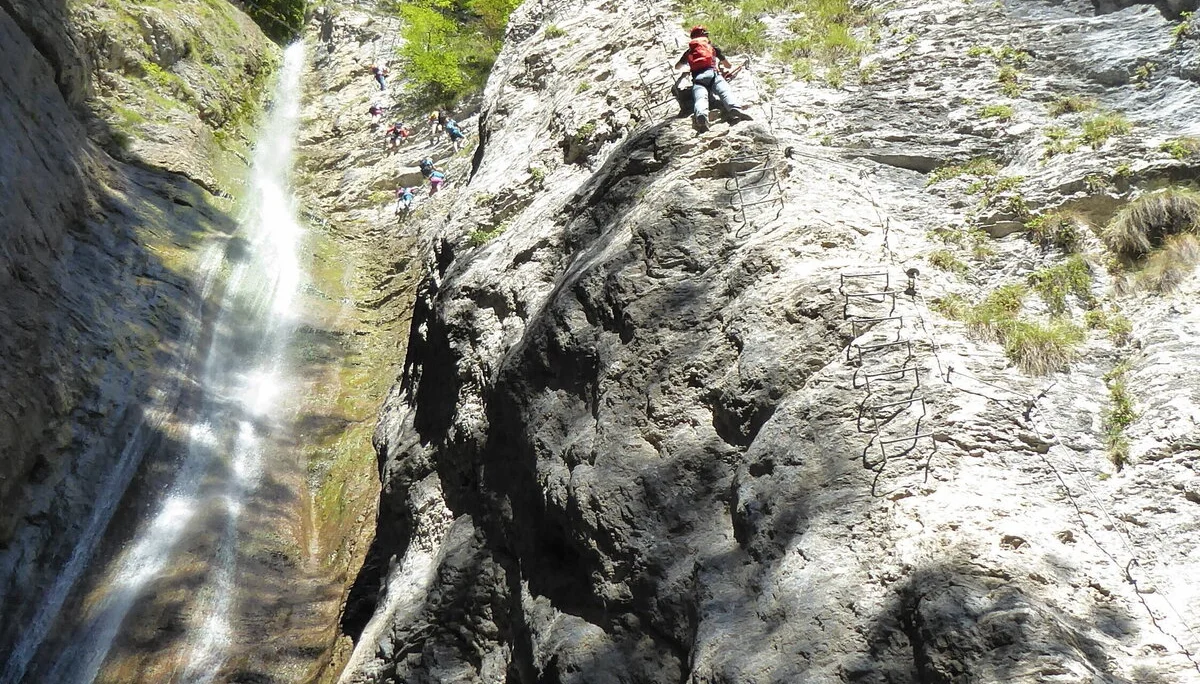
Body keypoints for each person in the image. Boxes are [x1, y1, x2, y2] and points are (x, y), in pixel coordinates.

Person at [674, 26, 752, 132]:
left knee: (700, 99)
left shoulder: (689, 52)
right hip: (713, 75)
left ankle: (701, 117)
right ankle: (734, 109)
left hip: (698, 79)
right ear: (705, 36)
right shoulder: (712, 48)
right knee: (725, 92)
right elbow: (728, 66)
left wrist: (690, 68)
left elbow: (677, 67)